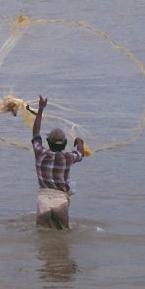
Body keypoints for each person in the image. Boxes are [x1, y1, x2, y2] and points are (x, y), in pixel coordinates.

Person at [31, 96, 84, 230]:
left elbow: (35, 133)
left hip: (43, 201)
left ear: (48, 142)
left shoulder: (40, 153)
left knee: (43, 237)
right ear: (65, 143)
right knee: (63, 239)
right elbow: (80, 154)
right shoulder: (67, 158)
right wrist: (79, 143)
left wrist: (41, 108)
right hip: (60, 201)